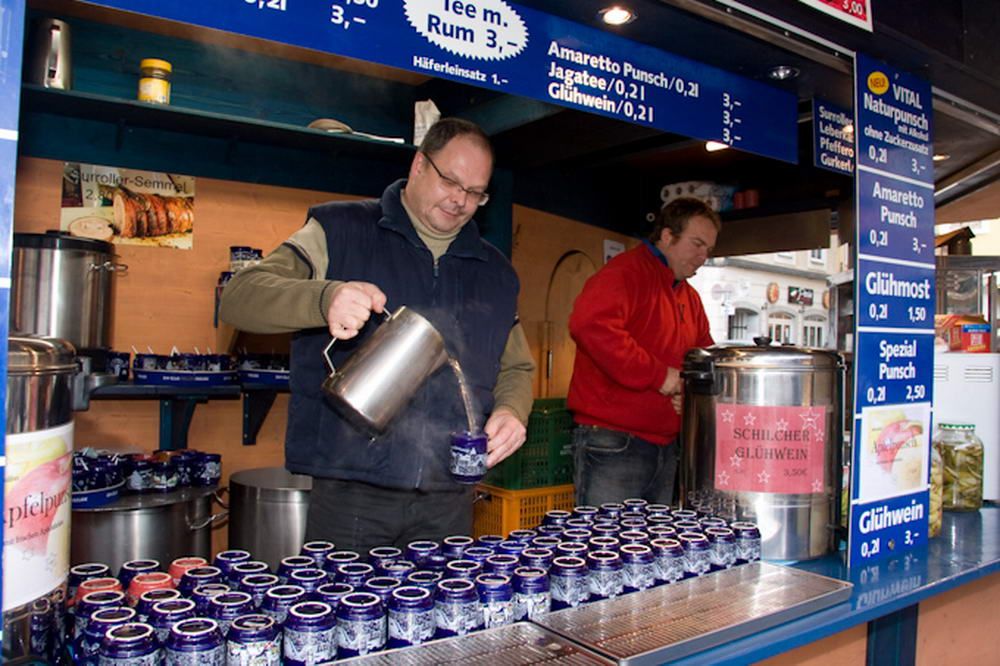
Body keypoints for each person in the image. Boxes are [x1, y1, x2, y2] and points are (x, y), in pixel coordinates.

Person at [219, 118, 534, 554]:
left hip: (450, 498)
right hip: (354, 492)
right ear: (419, 164)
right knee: (345, 614)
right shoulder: (340, 229)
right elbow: (239, 297)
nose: (461, 201)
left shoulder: (496, 272)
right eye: (451, 181)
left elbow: (515, 364)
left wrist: (512, 411)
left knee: (441, 619)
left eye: (476, 193)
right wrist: (324, 297)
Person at [566, 197, 720, 506]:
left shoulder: (690, 298)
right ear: (667, 236)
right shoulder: (625, 272)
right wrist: (660, 376)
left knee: (652, 552)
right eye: (697, 244)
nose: (704, 256)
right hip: (614, 442)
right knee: (606, 549)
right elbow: (589, 325)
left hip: (667, 448)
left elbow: (704, 357)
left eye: (709, 250)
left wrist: (689, 390)